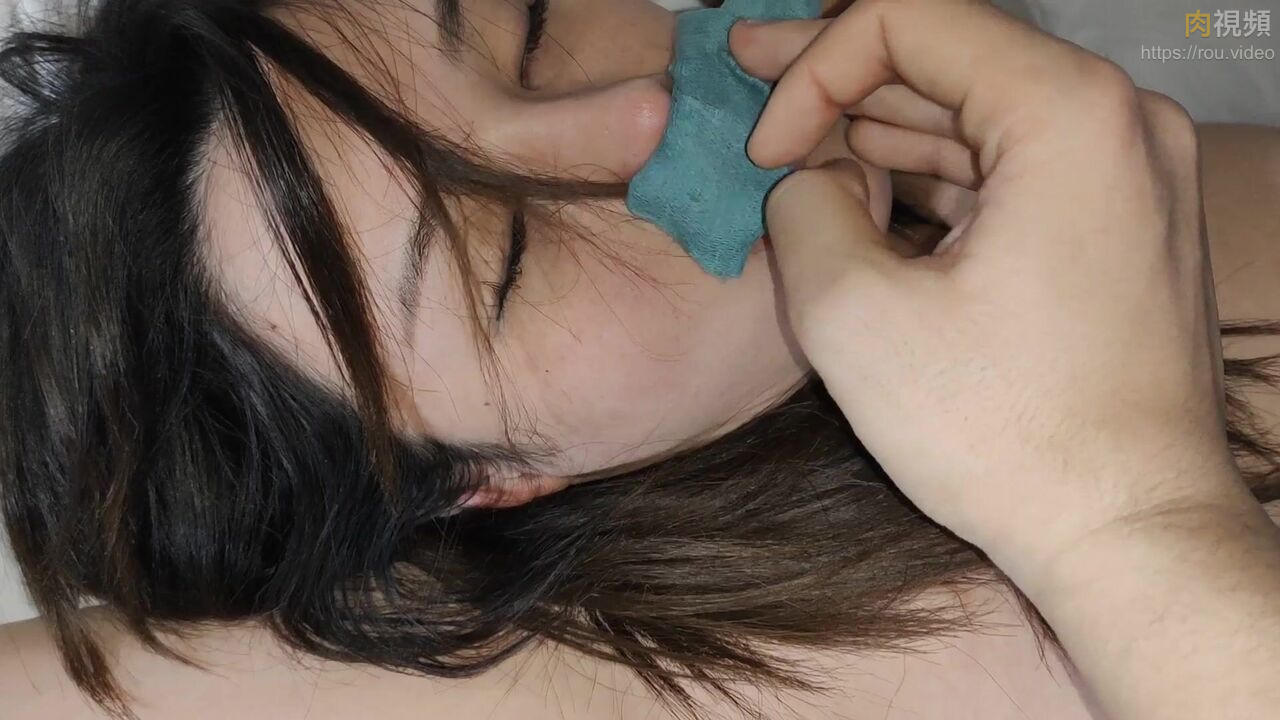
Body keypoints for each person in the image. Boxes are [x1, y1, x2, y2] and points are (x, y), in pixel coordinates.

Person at [1, 0, 1278, 717]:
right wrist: (1129, 521)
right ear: (492, 477)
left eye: (530, 25)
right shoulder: (630, 675)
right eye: (508, 254)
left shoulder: (1035, 190)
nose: (645, 109)